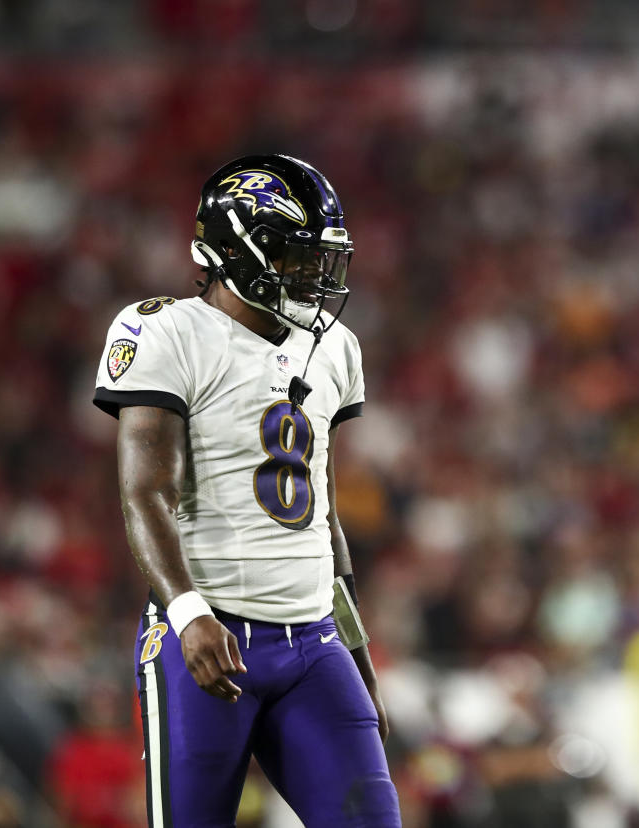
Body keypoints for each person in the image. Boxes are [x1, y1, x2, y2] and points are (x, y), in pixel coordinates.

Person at [92, 154, 400, 826]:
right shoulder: (166, 331)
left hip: (314, 642)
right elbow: (146, 493)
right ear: (236, 250)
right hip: (209, 634)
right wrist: (187, 613)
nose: (312, 275)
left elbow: (324, 512)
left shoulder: (336, 347)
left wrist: (357, 651)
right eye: (293, 256)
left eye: (319, 258)